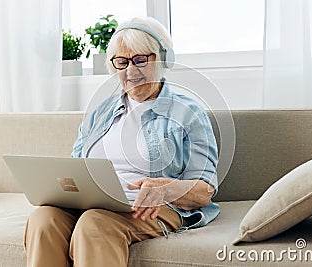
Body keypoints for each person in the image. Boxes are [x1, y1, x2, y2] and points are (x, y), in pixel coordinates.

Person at [24, 16, 220, 267]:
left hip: (156, 207)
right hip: (94, 203)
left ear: (162, 59)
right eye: (121, 62)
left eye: (140, 60)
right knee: (44, 219)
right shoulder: (100, 112)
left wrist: (166, 188)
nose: (130, 71)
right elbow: (74, 167)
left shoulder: (188, 113)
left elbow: (205, 191)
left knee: (95, 223)